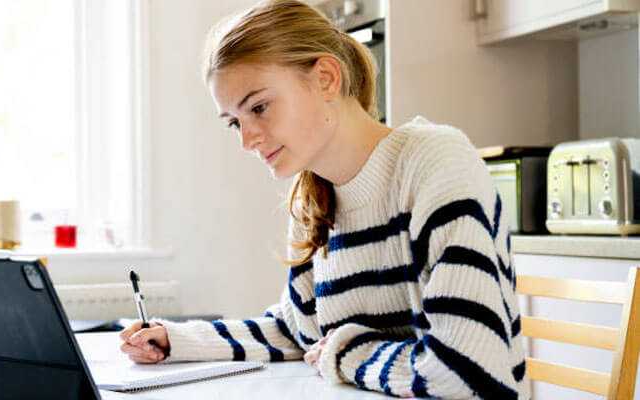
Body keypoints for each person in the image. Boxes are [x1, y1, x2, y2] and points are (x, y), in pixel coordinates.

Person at [119, 0, 529, 398]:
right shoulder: (312, 200)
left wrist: (346, 353)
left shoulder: (434, 162)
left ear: (326, 78)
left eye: (259, 107)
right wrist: (176, 340)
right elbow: (300, 331)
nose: (247, 140)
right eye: (234, 123)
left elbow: (470, 371)